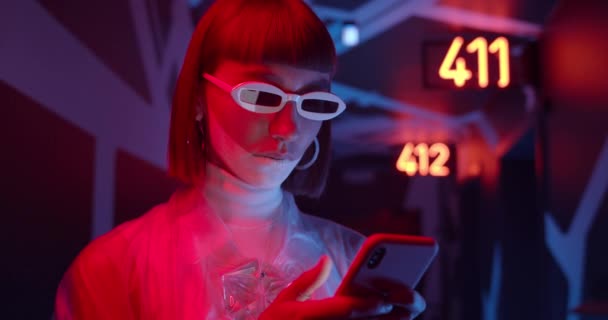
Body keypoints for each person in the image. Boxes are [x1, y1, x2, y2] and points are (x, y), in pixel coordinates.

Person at [55, 0, 426, 319]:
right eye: (262, 96)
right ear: (199, 100)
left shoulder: (349, 257)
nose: (287, 128)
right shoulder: (113, 268)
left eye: (312, 104)